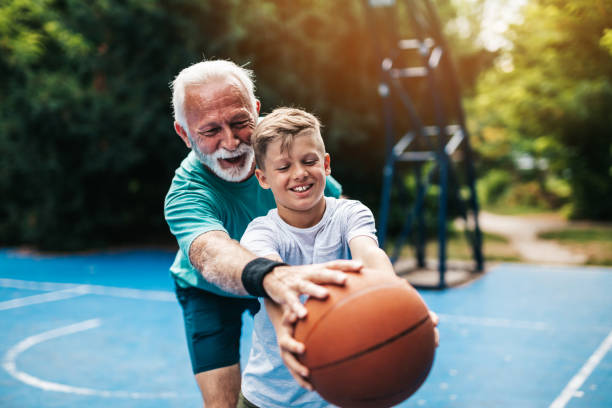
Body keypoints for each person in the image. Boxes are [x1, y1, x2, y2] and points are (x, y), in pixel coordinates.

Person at [164, 60, 363, 408]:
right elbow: (211, 252)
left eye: (240, 123)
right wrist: (268, 275)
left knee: (310, 380)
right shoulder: (187, 192)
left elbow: (338, 211)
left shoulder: (285, 159)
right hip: (210, 290)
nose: (230, 141)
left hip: (282, 275)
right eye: (210, 131)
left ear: (256, 111)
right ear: (184, 133)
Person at [238, 107, 439, 408]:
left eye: (309, 161)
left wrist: (401, 299)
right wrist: (285, 334)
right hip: (268, 397)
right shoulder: (260, 233)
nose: (299, 173)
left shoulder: (349, 213)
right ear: (263, 178)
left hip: (339, 395)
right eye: (283, 167)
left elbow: (370, 255)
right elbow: (274, 284)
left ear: (326, 164)